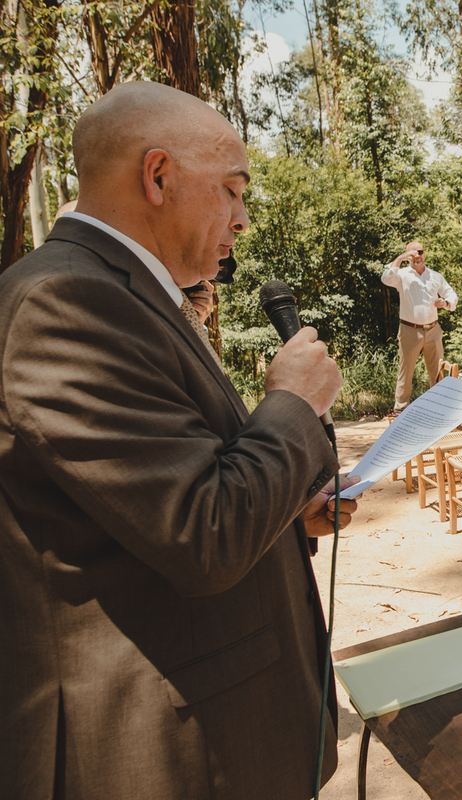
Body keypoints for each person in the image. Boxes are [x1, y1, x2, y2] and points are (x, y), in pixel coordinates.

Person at [0, 82, 358, 799]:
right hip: (162, 756)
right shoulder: (63, 303)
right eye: (232, 190)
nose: (242, 219)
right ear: (158, 176)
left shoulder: (127, 293)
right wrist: (293, 404)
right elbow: (204, 532)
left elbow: (158, 497)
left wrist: (289, 511)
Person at [382, 241, 458, 413]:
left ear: (424, 253)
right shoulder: (401, 275)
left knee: (437, 371)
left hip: (433, 330)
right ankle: (400, 409)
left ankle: (438, 408)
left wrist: (446, 302)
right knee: (406, 371)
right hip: (410, 330)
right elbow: (386, 279)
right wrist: (400, 258)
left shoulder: (435, 276)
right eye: (412, 254)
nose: (417, 257)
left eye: (420, 252)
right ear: (407, 256)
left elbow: (451, 294)